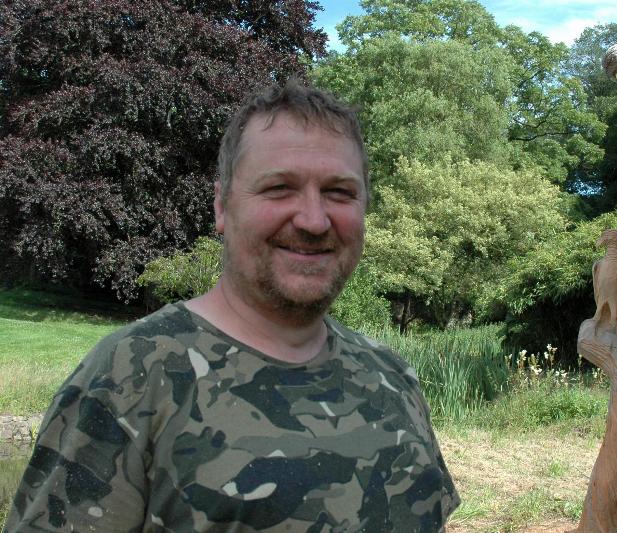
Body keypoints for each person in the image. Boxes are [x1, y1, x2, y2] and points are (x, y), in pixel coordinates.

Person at [5, 80, 460, 532]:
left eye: (340, 192)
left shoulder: (394, 377)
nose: (314, 220)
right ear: (222, 206)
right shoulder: (129, 376)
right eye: (279, 187)